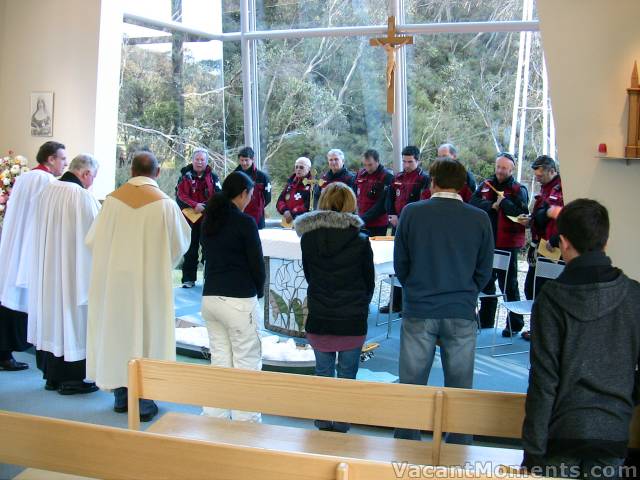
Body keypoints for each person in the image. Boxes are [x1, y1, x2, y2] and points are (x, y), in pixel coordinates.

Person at [522, 199, 640, 480]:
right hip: (613, 430)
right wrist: (625, 396)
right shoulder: (634, 295)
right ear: (605, 242)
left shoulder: (551, 298)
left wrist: (533, 453)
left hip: (561, 431)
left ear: (563, 242)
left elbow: (544, 381)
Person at [393, 158, 493, 443]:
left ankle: (406, 448)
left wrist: (414, 290)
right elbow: (485, 270)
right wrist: (467, 291)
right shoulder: (479, 218)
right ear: (463, 185)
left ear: (432, 181)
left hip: (420, 307)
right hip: (461, 308)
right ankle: (458, 451)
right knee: (460, 389)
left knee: (411, 386)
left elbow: (401, 263)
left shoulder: (412, 212)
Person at [85, 151, 190, 422]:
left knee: (119, 332)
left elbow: (93, 241)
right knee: (148, 332)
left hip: (116, 282)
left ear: (131, 171)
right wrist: (158, 262)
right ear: (156, 173)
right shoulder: (165, 204)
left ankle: (121, 395)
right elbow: (180, 245)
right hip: (149, 281)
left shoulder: (111, 201)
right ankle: (143, 401)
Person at [294, 182, 375, 433]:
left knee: (323, 372)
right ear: (351, 205)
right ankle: (341, 424)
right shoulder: (361, 240)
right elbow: (368, 282)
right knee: (348, 376)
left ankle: (322, 422)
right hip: (352, 317)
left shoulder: (308, 238)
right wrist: (359, 303)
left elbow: (309, 275)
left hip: (320, 314)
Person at [27, 154, 101, 395]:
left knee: (52, 319)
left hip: (49, 269)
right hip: (72, 271)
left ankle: (52, 375)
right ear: (86, 173)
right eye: (93, 178)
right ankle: (72, 378)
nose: (92, 183)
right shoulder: (81, 197)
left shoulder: (47, 190)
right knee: (72, 319)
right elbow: (96, 236)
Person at [200, 171, 265, 422]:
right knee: (246, 363)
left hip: (210, 299)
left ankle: (214, 418)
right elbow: (257, 266)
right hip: (238, 300)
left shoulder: (210, 219)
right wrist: (257, 293)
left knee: (220, 361)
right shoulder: (244, 223)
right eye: (250, 195)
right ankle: (246, 424)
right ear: (243, 194)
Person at [0, 141, 67, 372]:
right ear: (50, 159)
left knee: (9, 296)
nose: (65, 163)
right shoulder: (46, 181)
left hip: (14, 242)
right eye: (62, 159)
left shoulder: (26, 177)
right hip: (31, 244)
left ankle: (4, 353)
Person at [470, 152, 529, 335]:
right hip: (487, 242)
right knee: (486, 281)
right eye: (498, 167)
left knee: (509, 285)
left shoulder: (519, 190)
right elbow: (473, 203)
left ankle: (514, 323)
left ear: (511, 169)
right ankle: (486, 318)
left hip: (508, 244)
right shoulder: (486, 185)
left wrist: (504, 204)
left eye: (504, 168)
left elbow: (523, 215)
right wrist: (491, 206)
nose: (500, 171)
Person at [519, 155, 563, 341]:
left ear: (551, 171)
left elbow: (564, 215)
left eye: (540, 176)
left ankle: (545, 332)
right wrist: (530, 220)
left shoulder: (562, 188)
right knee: (531, 288)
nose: (537, 179)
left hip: (554, 248)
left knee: (546, 291)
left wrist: (556, 239)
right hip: (539, 244)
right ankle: (536, 328)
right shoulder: (545, 189)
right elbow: (541, 214)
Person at [383, 145, 430, 314]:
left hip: (414, 227)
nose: (407, 165)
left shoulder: (424, 179)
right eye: (404, 161)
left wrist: (407, 219)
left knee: (413, 266)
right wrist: (392, 215)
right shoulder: (397, 177)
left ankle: (409, 304)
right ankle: (394, 302)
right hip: (397, 225)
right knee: (396, 263)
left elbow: (423, 203)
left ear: (418, 161)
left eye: (410, 162)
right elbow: (388, 199)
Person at [175, 149, 221, 288]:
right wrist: (195, 205)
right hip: (190, 220)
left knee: (209, 250)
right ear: (193, 160)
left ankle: (209, 278)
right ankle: (189, 279)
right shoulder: (184, 176)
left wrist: (205, 207)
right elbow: (179, 197)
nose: (199, 162)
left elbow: (219, 196)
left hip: (208, 219)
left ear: (206, 162)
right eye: (197, 159)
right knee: (190, 250)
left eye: (202, 160)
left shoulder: (213, 177)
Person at [355, 149, 394, 236]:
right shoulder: (360, 174)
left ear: (378, 161)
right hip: (361, 222)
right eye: (365, 165)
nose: (367, 168)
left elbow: (382, 205)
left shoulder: (387, 177)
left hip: (378, 225)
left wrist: (362, 219)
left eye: (370, 165)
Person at [234, 146, 271, 229]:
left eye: (246, 160)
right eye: (242, 160)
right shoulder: (233, 176)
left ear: (252, 159)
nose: (244, 163)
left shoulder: (262, 177)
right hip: (238, 216)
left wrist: (258, 207)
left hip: (257, 218)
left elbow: (267, 197)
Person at [276, 156, 313, 224]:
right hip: (287, 223)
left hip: (304, 223)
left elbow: (309, 206)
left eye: (301, 167)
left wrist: (293, 213)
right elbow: (280, 201)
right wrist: (285, 211)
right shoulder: (290, 183)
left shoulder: (312, 185)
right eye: (296, 167)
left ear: (308, 169)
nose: (298, 169)